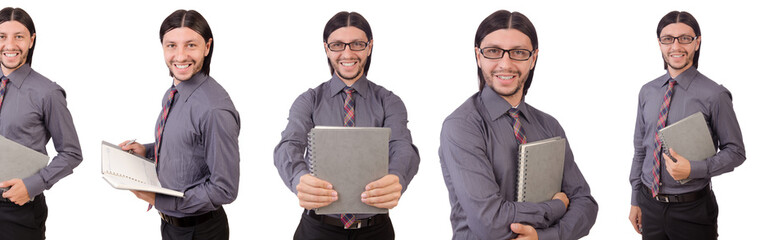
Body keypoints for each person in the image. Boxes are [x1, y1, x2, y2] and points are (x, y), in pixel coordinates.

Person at [438, 10, 597, 240]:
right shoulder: (461, 127)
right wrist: (556, 207)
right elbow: (489, 221)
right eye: (493, 51)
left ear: (533, 58)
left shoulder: (549, 126)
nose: (506, 63)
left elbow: (585, 204)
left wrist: (544, 237)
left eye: (519, 53)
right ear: (478, 56)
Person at [273, 11, 420, 240]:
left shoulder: (389, 101)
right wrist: (298, 179)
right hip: (317, 229)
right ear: (326, 48)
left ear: (369, 47)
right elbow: (288, 145)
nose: (347, 53)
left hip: (375, 230)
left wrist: (397, 177)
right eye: (338, 45)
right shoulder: (309, 101)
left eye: (357, 44)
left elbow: (403, 147)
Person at [0, 7, 83, 239]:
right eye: (2, 36)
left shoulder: (48, 93)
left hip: (21, 211)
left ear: (31, 40)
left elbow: (71, 153)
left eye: (19, 36)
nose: (10, 45)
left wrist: (34, 184)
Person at [119, 9, 240, 240]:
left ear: (207, 47)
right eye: (171, 45)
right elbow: (189, 143)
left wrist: (159, 200)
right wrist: (147, 150)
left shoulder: (214, 109)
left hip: (200, 231)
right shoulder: (174, 92)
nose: (180, 55)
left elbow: (224, 188)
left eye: (191, 45)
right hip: (172, 226)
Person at [627, 11, 745, 240]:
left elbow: (736, 152)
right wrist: (635, 199)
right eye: (668, 38)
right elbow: (641, 150)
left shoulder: (715, 95)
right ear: (660, 43)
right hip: (649, 206)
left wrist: (694, 169)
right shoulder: (647, 92)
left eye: (685, 38)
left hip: (693, 211)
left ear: (697, 42)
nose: (676, 45)